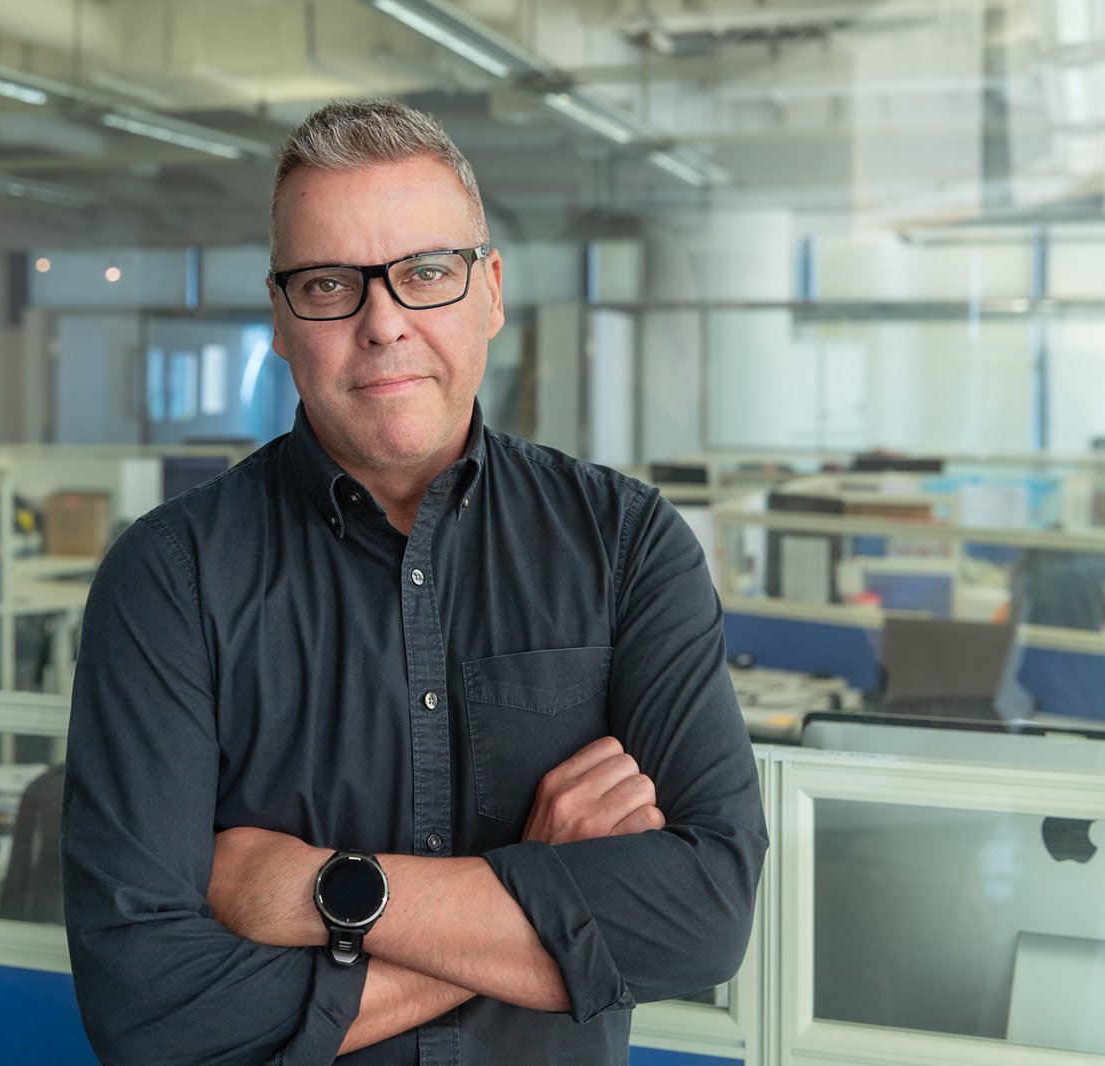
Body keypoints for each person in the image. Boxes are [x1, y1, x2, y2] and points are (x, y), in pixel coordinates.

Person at [62, 98, 767, 1065]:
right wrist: (549, 885)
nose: (383, 323)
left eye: (426, 272)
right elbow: (155, 1019)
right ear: (279, 317)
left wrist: (325, 891)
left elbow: (705, 920)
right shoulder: (169, 579)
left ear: (491, 293)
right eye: (327, 285)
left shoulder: (626, 545)